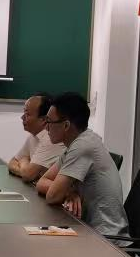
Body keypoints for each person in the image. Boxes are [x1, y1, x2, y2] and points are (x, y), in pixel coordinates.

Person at [36, 92, 128, 237]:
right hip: (86, 228)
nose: (46, 128)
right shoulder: (77, 142)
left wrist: (63, 192)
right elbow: (41, 182)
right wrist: (69, 193)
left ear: (66, 125)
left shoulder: (83, 146)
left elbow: (52, 196)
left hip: (104, 238)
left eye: (49, 121)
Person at [7, 93, 65, 182]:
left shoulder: (51, 139)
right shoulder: (33, 135)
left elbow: (28, 175)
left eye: (27, 114)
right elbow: (12, 162)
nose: (22, 117)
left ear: (43, 119)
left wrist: (23, 161)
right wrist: (25, 165)